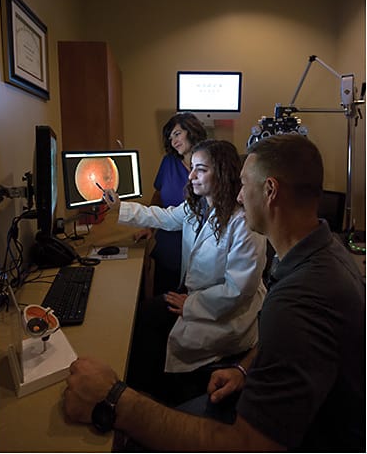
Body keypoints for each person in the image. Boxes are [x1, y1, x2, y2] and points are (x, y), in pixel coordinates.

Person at [64, 134, 365, 452]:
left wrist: (116, 401)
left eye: (243, 184)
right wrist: (243, 368)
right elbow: (287, 346)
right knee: (151, 319)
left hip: (305, 437)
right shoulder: (326, 252)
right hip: (257, 375)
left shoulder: (298, 301)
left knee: (135, 444)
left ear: (269, 191)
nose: (237, 194)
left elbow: (251, 445)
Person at [110, 139, 266, 404]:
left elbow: (237, 290)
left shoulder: (244, 224)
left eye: (201, 169)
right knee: (146, 315)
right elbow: (164, 217)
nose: (191, 176)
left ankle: (154, 399)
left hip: (225, 311)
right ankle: (143, 391)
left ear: (224, 173)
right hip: (200, 295)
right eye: (192, 168)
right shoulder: (199, 206)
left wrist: (191, 305)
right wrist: (120, 207)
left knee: (148, 320)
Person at [136, 112, 207, 297]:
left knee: (195, 304)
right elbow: (158, 195)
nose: (173, 141)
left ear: (191, 131)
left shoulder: (210, 162)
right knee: (165, 301)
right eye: (170, 137)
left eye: (177, 134)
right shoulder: (168, 162)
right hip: (169, 242)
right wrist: (149, 226)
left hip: (201, 245)